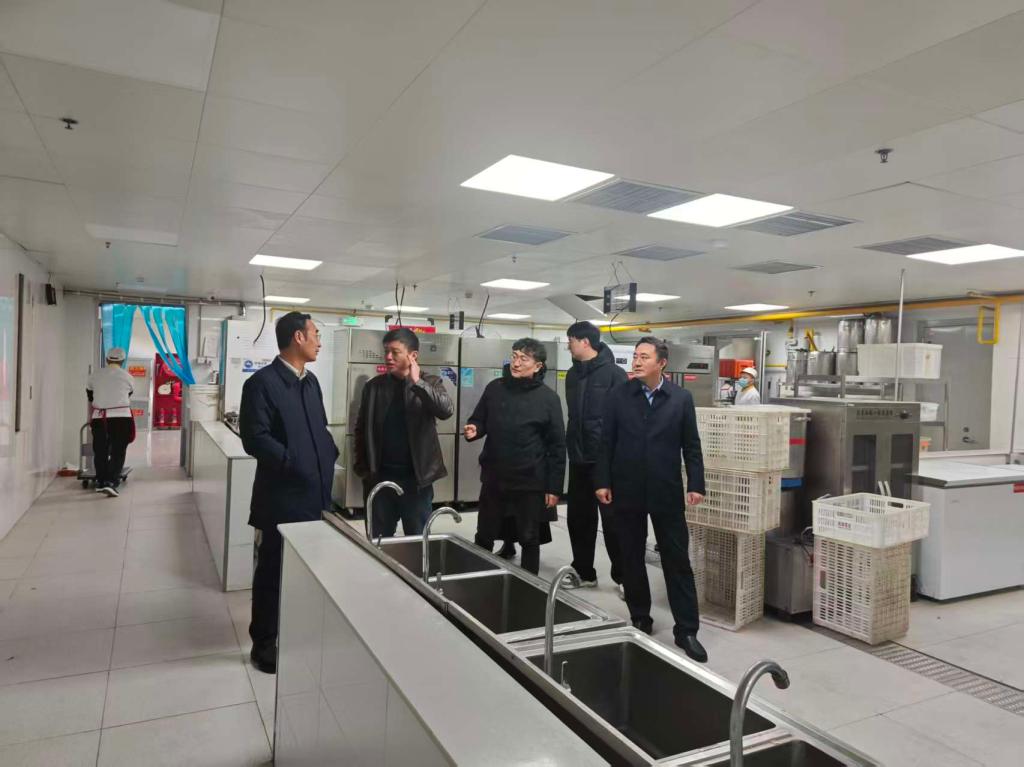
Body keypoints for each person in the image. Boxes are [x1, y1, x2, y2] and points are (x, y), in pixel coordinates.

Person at [595, 336, 708, 663]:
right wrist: (602, 481)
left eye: (644, 356)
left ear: (661, 363)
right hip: (626, 488)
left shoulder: (680, 399)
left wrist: (696, 483)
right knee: (631, 556)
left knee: (677, 559)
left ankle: (687, 630)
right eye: (635, 355)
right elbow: (606, 443)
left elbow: (692, 445)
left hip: (665, 489)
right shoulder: (618, 396)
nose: (637, 361)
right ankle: (640, 617)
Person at [239, 312, 338, 674]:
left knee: (306, 571)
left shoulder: (310, 383)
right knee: (273, 572)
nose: (319, 342)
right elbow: (255, 439)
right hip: (281, 498)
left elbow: (320, 428)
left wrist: (328, 454)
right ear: (298, 337)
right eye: (315, 334)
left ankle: (296, 630)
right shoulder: (262, 384)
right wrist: (294, 462)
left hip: (316, 496)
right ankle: (264, 643)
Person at [463, 338, 565, 575]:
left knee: (529, 537)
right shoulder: (495, 388)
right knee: (484, 533)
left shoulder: (548, 399)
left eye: (524, 359)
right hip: (494, 477)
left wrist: (554, 487)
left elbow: (557, 446)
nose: (516, 363)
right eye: (514, 356)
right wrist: (475, 428)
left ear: (537, 366)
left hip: (529, 480)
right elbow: (479, 418)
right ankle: (478, 578)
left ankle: (530, 585)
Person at [353, 327, 453, 537]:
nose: (388, 357)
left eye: (395, 352)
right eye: (386, 351)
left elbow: (445, 410)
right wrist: (363, 469)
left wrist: (417, 383)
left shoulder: (430, 382)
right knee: (378, 539)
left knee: (417, 540)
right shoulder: (374, 387)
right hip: (380, 477)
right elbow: (361, 429)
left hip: (416, 481)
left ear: (413, 356)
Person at [564, 321, 628, 595]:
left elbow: (625, 419)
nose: (568, 346)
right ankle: (583, 571)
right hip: (578, 458)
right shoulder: (571, 375)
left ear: (585, 342)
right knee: (578, 519)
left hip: (606, 461)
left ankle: (625, 577)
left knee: (613, 523)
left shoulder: (615, 375)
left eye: (570, 341)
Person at [86, 347, 135, 497]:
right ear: (122, 361)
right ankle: (112, 482)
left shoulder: (94, 375)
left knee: (100, 450)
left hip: (100, 418)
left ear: (107, 359)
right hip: (121, 417)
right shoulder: (127, 377)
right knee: (118, 451)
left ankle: (101, 481)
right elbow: (129, 394)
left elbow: (90, 396)